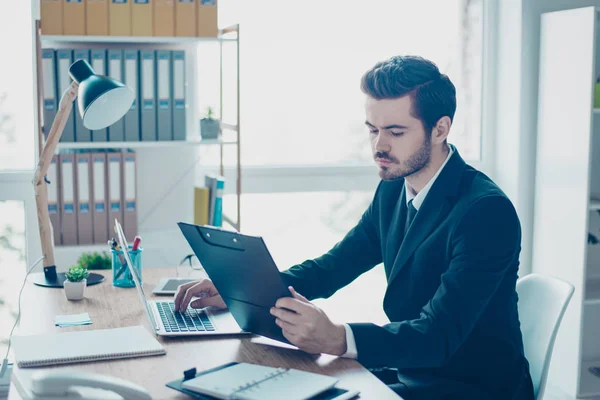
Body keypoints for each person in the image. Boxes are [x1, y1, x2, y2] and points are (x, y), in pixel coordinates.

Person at [174, 55, 534, 400]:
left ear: (440, 128)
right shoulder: (394, 188)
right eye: (373, 130)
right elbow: (334, 266)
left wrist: (337, 338)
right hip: (407, 371)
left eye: (395, 131)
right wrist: (244, 289)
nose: (379, 145)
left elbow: (438, 336)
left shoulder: (485, 212)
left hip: (469, 388)